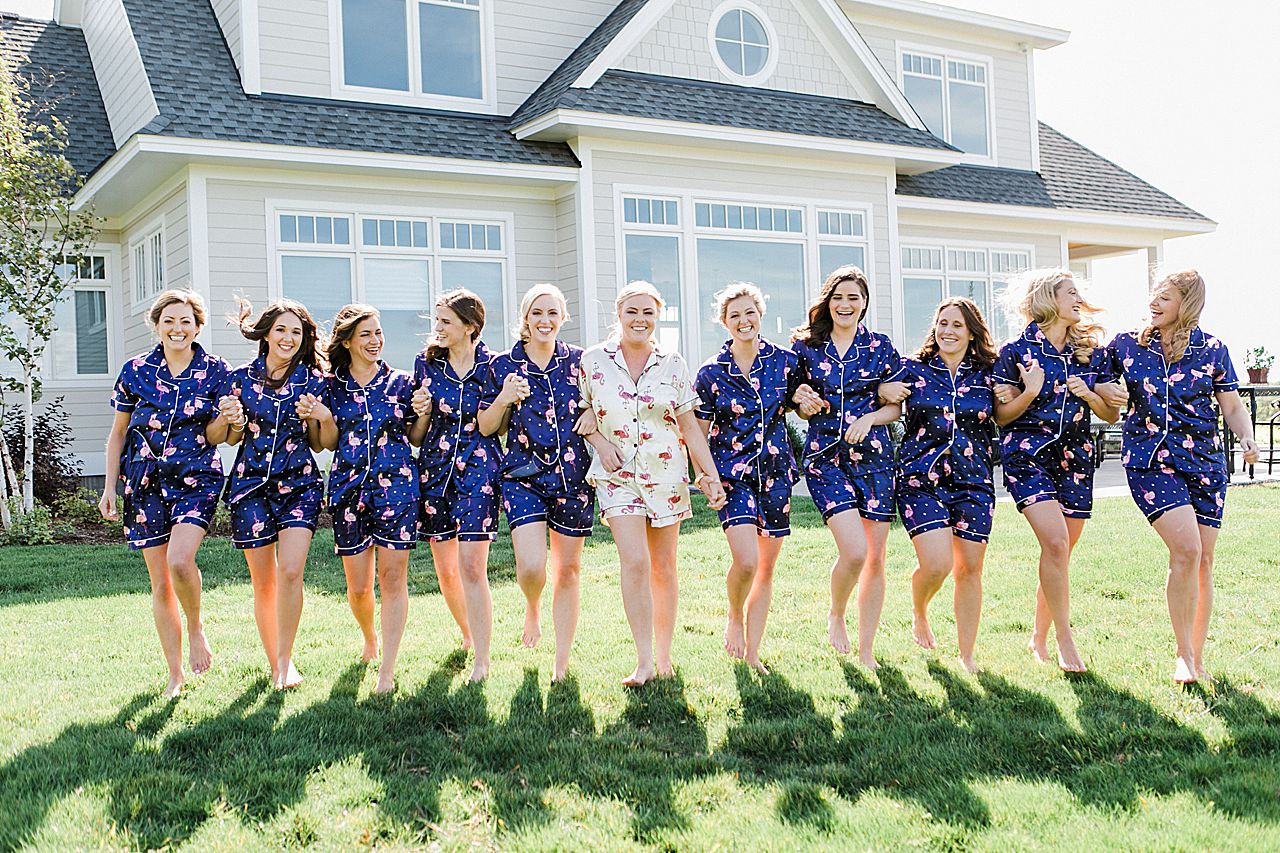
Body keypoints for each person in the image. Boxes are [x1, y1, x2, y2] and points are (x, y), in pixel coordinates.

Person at [1101, 270, 1259, 683]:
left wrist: (1246, 437)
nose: (1154, 303)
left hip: (1205, 465)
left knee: (1203, 561)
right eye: (1154, 294)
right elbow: (1093, 375)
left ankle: (1198, 655)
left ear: (1186, 304)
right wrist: (1105, 393)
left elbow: (1233, 406)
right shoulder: (1127, 345)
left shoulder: (1213, 350)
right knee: (1186, 551)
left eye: (1165, 298)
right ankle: (1183, 655)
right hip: (1151, 462)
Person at [579, 280, 727, 686]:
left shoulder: (673, 363)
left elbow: (690, 428)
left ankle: (664, 655)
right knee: (636, 561)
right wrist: (598, 441)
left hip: (666, 476)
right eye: (632, 312)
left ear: (657, 316)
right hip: (617, 477)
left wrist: (708, 474)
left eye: (648, 312)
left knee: (663, 566)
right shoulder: (593, 361)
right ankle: (643, 659)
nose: (640, 319)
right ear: (618, 314)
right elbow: (581, 411)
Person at [98, 290, 231, 698]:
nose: (178, 328)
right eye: (169, 320)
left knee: (179, 560)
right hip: (144, 482)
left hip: (196, 477)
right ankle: (175, 674)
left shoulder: (216, 371)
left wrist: (229, 421)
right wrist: (108, 487)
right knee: (159, 583)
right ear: (156, 325)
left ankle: (196, 626)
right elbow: (118, 433)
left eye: (186, 321)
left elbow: (221, 433)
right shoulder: (135, 370)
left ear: (197, 326)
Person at [992, 268, 1121, 673]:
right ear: (1049, 298)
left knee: (1060, 553)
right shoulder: (1016, 351)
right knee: (1056, 544)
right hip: (1027, 456)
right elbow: (1000, 416)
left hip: (1077, 459)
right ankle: (1066, 640)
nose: (1078, 298)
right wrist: (1030, 391)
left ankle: (1038, 636)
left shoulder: (1090, 352)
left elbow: (1111, 414)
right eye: (1070, 292)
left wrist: (1090, 394)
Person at [207, 298, 331, 690]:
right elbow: (227, 438)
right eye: (281, 330)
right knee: (264, 583)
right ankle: (275, 662)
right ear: (266, 333)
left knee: (291, 572)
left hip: (299, 485)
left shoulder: (314, 380)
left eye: (296, 332)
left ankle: (285, 661)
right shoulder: (240, 379)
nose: (289, 338)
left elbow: (322, 444)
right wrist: (232, 420)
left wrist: (319, 417)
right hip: (250, 487)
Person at [789, 265, 905, 668]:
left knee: (875, 557)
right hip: (826, 459)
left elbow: (895, 404)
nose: (845, 304)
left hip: (874, 459)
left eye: (853, 298)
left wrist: (871, 415)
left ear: (864, 303)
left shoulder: (879, 346)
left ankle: (867, 649)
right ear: (828, 301)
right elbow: (793, 397)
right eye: (838, 297)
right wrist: (800, 399)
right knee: (855, 552)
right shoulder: (806, 347)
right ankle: (837, 612)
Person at [478, 284, 593, 682]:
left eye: (552, 313)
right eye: (537, 313)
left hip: (573, 476)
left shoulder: (581, 362)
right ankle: (532, 607)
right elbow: (487, 426)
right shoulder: (501, 366)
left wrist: (594, 415)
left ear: (563, 317)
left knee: (569, 569)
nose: (545, 321)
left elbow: (603, 404)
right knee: (531, 568)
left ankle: (561, 661)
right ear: (525, 319)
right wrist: (505, 398)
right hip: (523, 476)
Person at [881, 297, 998, 673]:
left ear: (971, 333)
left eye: (957, 325)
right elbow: (877, 390)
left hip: (973, 480)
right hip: (920, 479)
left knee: (970, 569)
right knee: (936, 564)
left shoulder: (989, 373)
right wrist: (885, 391)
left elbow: (1011, 404)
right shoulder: (912, 370)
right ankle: (919, 609)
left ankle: (967, 655)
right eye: (942, 323)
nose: (947, 331)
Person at [693, 283, 801, 673]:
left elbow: (803, 400)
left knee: (765, 569)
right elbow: (697, 434)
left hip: (776, 475)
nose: (744, 320)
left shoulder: (786, 363)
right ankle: (734, 616)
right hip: (731, 477)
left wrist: (805, 401)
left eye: (749, 312)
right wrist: (705, 478)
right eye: (735, 315)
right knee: (746, 561)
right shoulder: (710, 373)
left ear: (760, 314)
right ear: (724, 322)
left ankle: (753, 652)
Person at [322, 304, 419, 693]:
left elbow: (415, 436)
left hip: (396, 489)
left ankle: (388, 670)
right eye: (365, 334)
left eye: (378, 333)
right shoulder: (329, 387)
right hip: (348, 491)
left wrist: (424, 413)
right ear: (346, 341)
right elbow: (325, 442)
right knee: (359, 588)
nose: (375, 341)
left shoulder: (402, 383)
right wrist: (323, 417)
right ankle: (369, 637)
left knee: (393, 578)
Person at [411, 289, 501, 683]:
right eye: (438, 321)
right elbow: (418, 433)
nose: (438, 328)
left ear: (470, 326)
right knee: (446, 571)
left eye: (446, 321)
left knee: (471, 567)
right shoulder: (426, 364)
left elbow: (496, 423)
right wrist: (422, 413)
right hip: (434, 470)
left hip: (479, 468)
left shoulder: (494, 367)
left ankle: (482, 659)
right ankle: (467, 634)